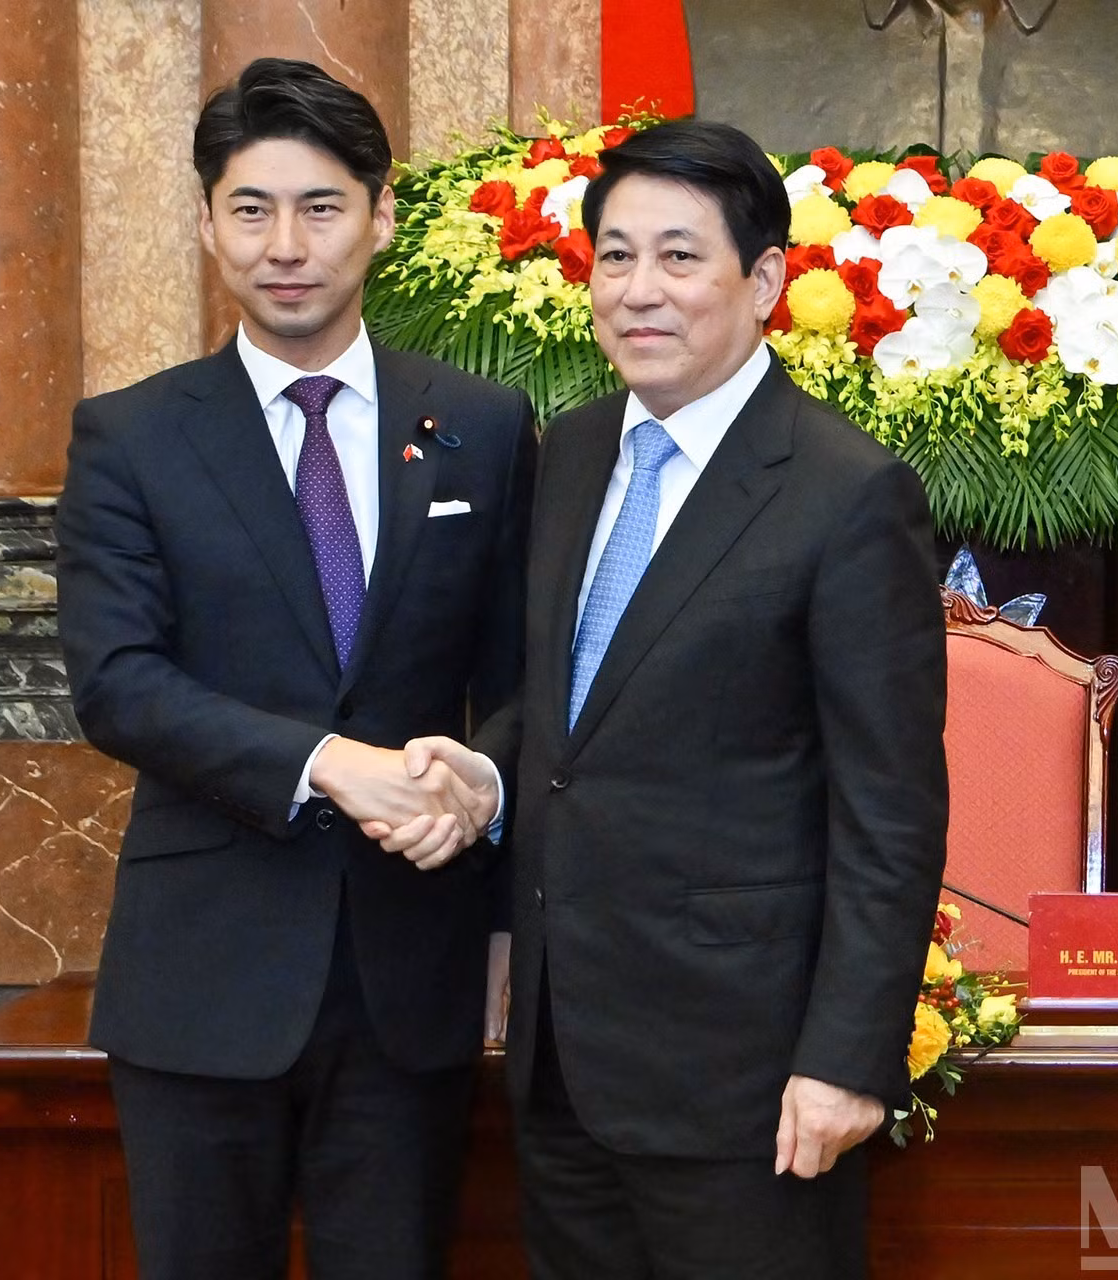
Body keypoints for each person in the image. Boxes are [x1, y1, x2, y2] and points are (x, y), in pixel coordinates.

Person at [381, 120, 948, 1277]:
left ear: (767, 281)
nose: (640, 290)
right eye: (615, 256)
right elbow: (565, 706)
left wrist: (847, 1057)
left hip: (747, 1076)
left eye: (681, 257)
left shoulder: (847, 493)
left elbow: (890, 808)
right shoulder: (576, 450)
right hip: (564, 1058)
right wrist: (485, 773)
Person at [55, 56, 532, 1280]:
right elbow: (117, 679)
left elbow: (525, 673)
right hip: (202, 972)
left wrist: (479, 780)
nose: (286, 244)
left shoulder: (477, 423)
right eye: (250, 208)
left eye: (320, 206)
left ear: (379, 215)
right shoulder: (134, 435)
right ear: (209, 225)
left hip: (409, 973)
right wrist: (330, 766)